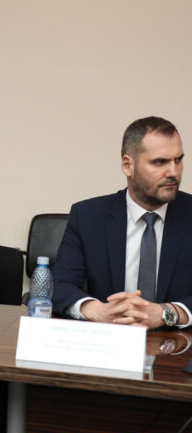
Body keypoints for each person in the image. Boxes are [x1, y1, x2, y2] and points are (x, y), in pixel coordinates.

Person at [52, 116, 192, 329]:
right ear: (128, 165)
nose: (174, 172)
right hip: (109, 339)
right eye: (160, 162)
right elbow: (59, 284)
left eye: (178, 160)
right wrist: (97, 310)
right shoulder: (88, 216)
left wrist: (168, 313)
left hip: (180, 343)